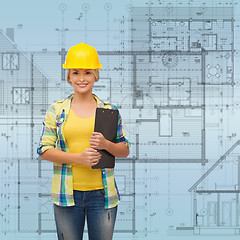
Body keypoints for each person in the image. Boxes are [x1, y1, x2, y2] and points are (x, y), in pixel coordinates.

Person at [37, 42, 130, 240]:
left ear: (96, 75)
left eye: (87, 72)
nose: (81, 78)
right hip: (67, 195)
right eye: (76, 72)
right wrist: (78, 158)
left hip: (103, 196)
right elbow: (44, 150)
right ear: (69, 76)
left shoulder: (109, 111)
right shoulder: (57, 110)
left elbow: (124, 149)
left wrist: (106, 145)